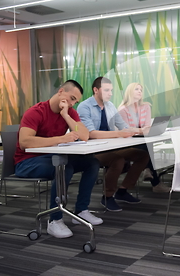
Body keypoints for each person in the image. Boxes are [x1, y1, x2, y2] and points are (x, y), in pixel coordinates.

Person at [15, 80, 102, 239]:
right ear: (61, 91)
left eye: (76, 100)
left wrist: (66, 115)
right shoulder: (36, 112)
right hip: (26, 162)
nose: (73, 103)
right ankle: (55, 220)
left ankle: (81, 211)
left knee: (92, 163)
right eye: (71, 98)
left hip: (51, 158)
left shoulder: (69, 112)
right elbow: (24, 142)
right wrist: (61, 139)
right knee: (64, 167)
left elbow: (84, 135)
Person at [77, 77, 150, 212]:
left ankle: (122, 191)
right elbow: (91, 134)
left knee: (143, 155)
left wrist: (142, 131)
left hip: (110, 146)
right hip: (92, 150)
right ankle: (107, 196)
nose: (110, 93)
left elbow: (123, 127)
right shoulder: (84, 107)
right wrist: (119, 134)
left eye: (111, 90)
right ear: (96, 90)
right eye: (106, 90)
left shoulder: (110, 106)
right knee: (118, 160)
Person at [118, 82, 170, 193]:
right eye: (137, 89)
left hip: (142, 139)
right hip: (128, 141)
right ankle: (153, 179)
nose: (140, 92)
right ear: (130, 91)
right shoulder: (123, 110)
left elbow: (147, 126)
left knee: (146, 142)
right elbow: (126, 130)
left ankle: (148, 171)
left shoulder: (146, 106)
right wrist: (141, 130)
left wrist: (141, 130)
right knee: (146, 144)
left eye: (141, 90)